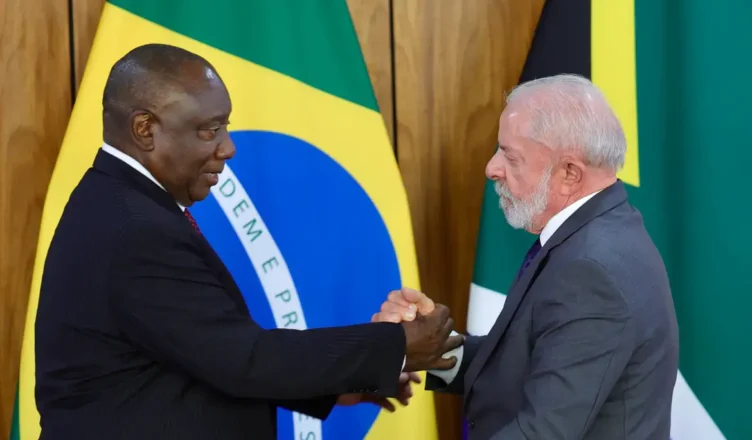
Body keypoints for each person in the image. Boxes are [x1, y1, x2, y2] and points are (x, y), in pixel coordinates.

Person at [34, 43, 463, 440]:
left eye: (225, 127)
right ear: (145, 129)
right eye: (209, 130)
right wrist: (397, 345)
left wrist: (341, 385)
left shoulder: (122, 205)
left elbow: (201, 356)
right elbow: (244, 361)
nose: (228, 148)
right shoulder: (135, 228)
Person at [374, 74, 679, 439]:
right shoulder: (598, 233)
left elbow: (542, 432)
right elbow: (524, 364)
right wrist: (428, 344)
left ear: (569, 174)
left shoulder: (592, 270)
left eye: (509, 155)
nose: (491, 168)